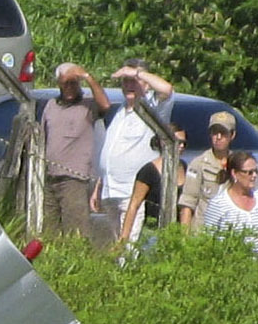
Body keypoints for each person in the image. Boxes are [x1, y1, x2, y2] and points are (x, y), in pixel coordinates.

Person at [35, 64, 109, 241]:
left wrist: (86, 75)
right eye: (65, 83)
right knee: (48, 231)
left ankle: (77, 261)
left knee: (75, 231)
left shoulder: (88, 105)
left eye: (73, 83)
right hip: (50, 177)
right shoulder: (51, 105)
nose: (69, 88)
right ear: (59, 83)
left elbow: (105, 105)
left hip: (74, 179)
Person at [98, 66, 166, 251]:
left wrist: (138, 73)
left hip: (132, 191)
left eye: (134, 81)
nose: (129, 85)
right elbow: (110, 150)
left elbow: (167, 90)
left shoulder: (151, 107)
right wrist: (99, 184)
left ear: (145, 84)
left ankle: (127, 275)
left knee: (129, 246)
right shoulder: (119, 111)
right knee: (115, 245)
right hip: (110, 190)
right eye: (125, 81)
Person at [175, 109, 240, 224]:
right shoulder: (199, 164)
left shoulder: (238, 164)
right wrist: (184, 238)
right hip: (203, 232)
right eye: (214, 132)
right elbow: (188, 203)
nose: (218, 137)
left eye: (223, 132)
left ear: (232, 135)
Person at [198, 151, 258, 248]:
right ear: (234, 173)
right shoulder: (219, 203)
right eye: (249, 172)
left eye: (255, 171)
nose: (254, 176)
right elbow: (208, 239)